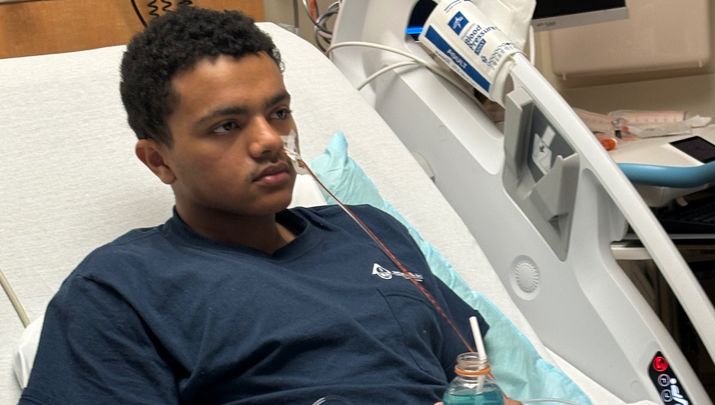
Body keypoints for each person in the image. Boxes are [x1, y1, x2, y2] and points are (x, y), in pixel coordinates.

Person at [19, 6, 497, 404]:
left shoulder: (370, 230)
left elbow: (473, 374)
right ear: (158, 160)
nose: (270, 140)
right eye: (227, 125)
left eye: (279, 112)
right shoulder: (120, 290)